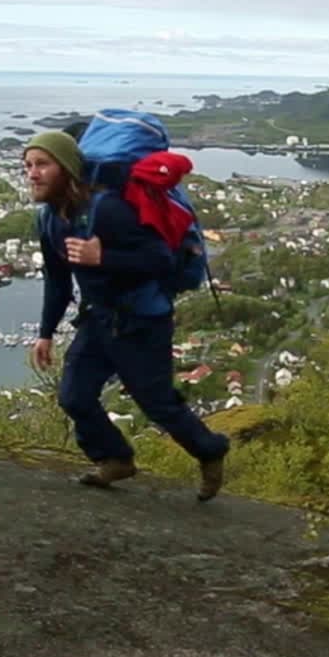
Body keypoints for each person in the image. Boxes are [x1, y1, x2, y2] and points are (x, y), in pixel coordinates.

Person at [23, 130, 228, 500]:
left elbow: (160, 260)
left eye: (42, 164)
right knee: (74, 396)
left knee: (157, 403)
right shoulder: (49, 220)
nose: (32, 174)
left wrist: (104, 257)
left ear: (66, 168)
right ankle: (115, 458)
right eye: (27, 166)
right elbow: (57, 281)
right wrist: (45, 333)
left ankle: (211, 451)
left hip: (142, 320)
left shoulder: (108, 210)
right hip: (98, 318)